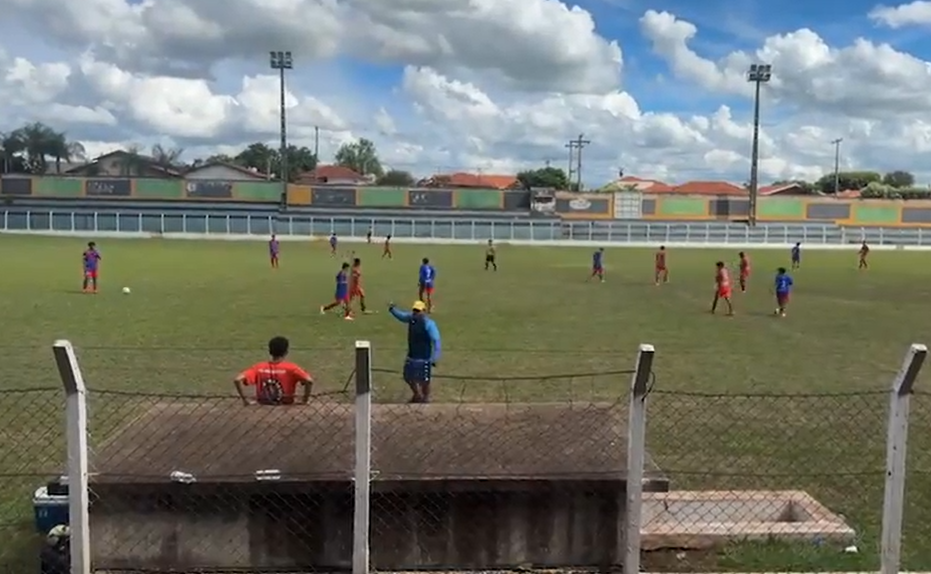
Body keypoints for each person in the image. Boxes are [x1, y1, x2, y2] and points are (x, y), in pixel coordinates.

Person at [234, 336, 313, 405]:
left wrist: (245, 400)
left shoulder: (258, 367)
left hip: (263, 406)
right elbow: (309, 381)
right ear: (286, 352)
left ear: (270, 351)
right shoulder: (292, 368)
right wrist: (304, 400)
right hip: (286, 406)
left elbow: (237, 379)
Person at [388, 301, 442, 403]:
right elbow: (401, 316)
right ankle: (417, 394)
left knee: (425, 381)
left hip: (424, 357)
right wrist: (392, 310)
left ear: (424, 311)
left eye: (418, 311)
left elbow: (436, 341)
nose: (415, 313)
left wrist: (435, 357)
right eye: (414, 310)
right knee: (408, 377)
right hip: (412, 356)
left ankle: (425, 398)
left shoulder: (429, 324)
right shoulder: (410, 319)